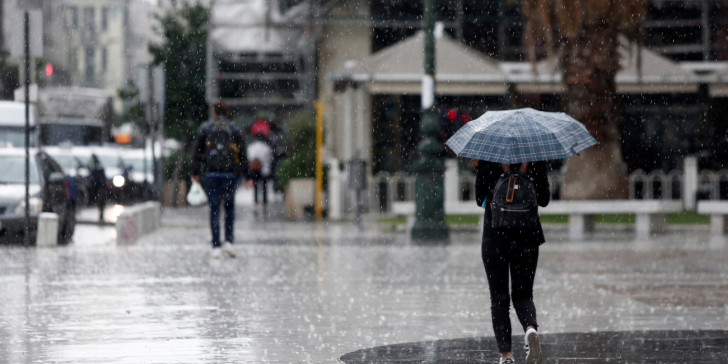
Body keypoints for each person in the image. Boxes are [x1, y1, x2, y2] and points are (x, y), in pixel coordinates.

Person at [474, 159, 550, 364]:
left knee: (499, 298)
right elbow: (543, 199)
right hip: (527, 234)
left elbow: (479, 198)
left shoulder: (489, 154)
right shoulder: (535, 155)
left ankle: (506, 355)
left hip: (495, 234)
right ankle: (530, 329)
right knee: (524, 294)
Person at [191, 100, 248, 259]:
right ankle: (229, 242)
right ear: (227, 112)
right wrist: (247, 175)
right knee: (229, 209)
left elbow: (197, 152)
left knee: (214, 209)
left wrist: (195, 172)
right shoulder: (235, 128)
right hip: (230, 174)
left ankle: (216, 245)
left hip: (211, 174)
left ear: (214, 112)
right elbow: (243, 153)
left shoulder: (205, 128)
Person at [246, 133, 274, 217]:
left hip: (254, 170)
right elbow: (269, 159)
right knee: (264, 187)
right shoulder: (266, 147)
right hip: (264, 170)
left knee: (255, 187)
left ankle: (256, 204)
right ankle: (264, 204)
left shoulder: (251, 147)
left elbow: (249, 158)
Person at [88, 154, 107, 223]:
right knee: (101, 202)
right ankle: (101, 215)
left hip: (99, 188)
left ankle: (101, 215)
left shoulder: (97, 169)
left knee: (101, 202)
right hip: (100, 188)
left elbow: (96, 179)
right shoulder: (98, 169)